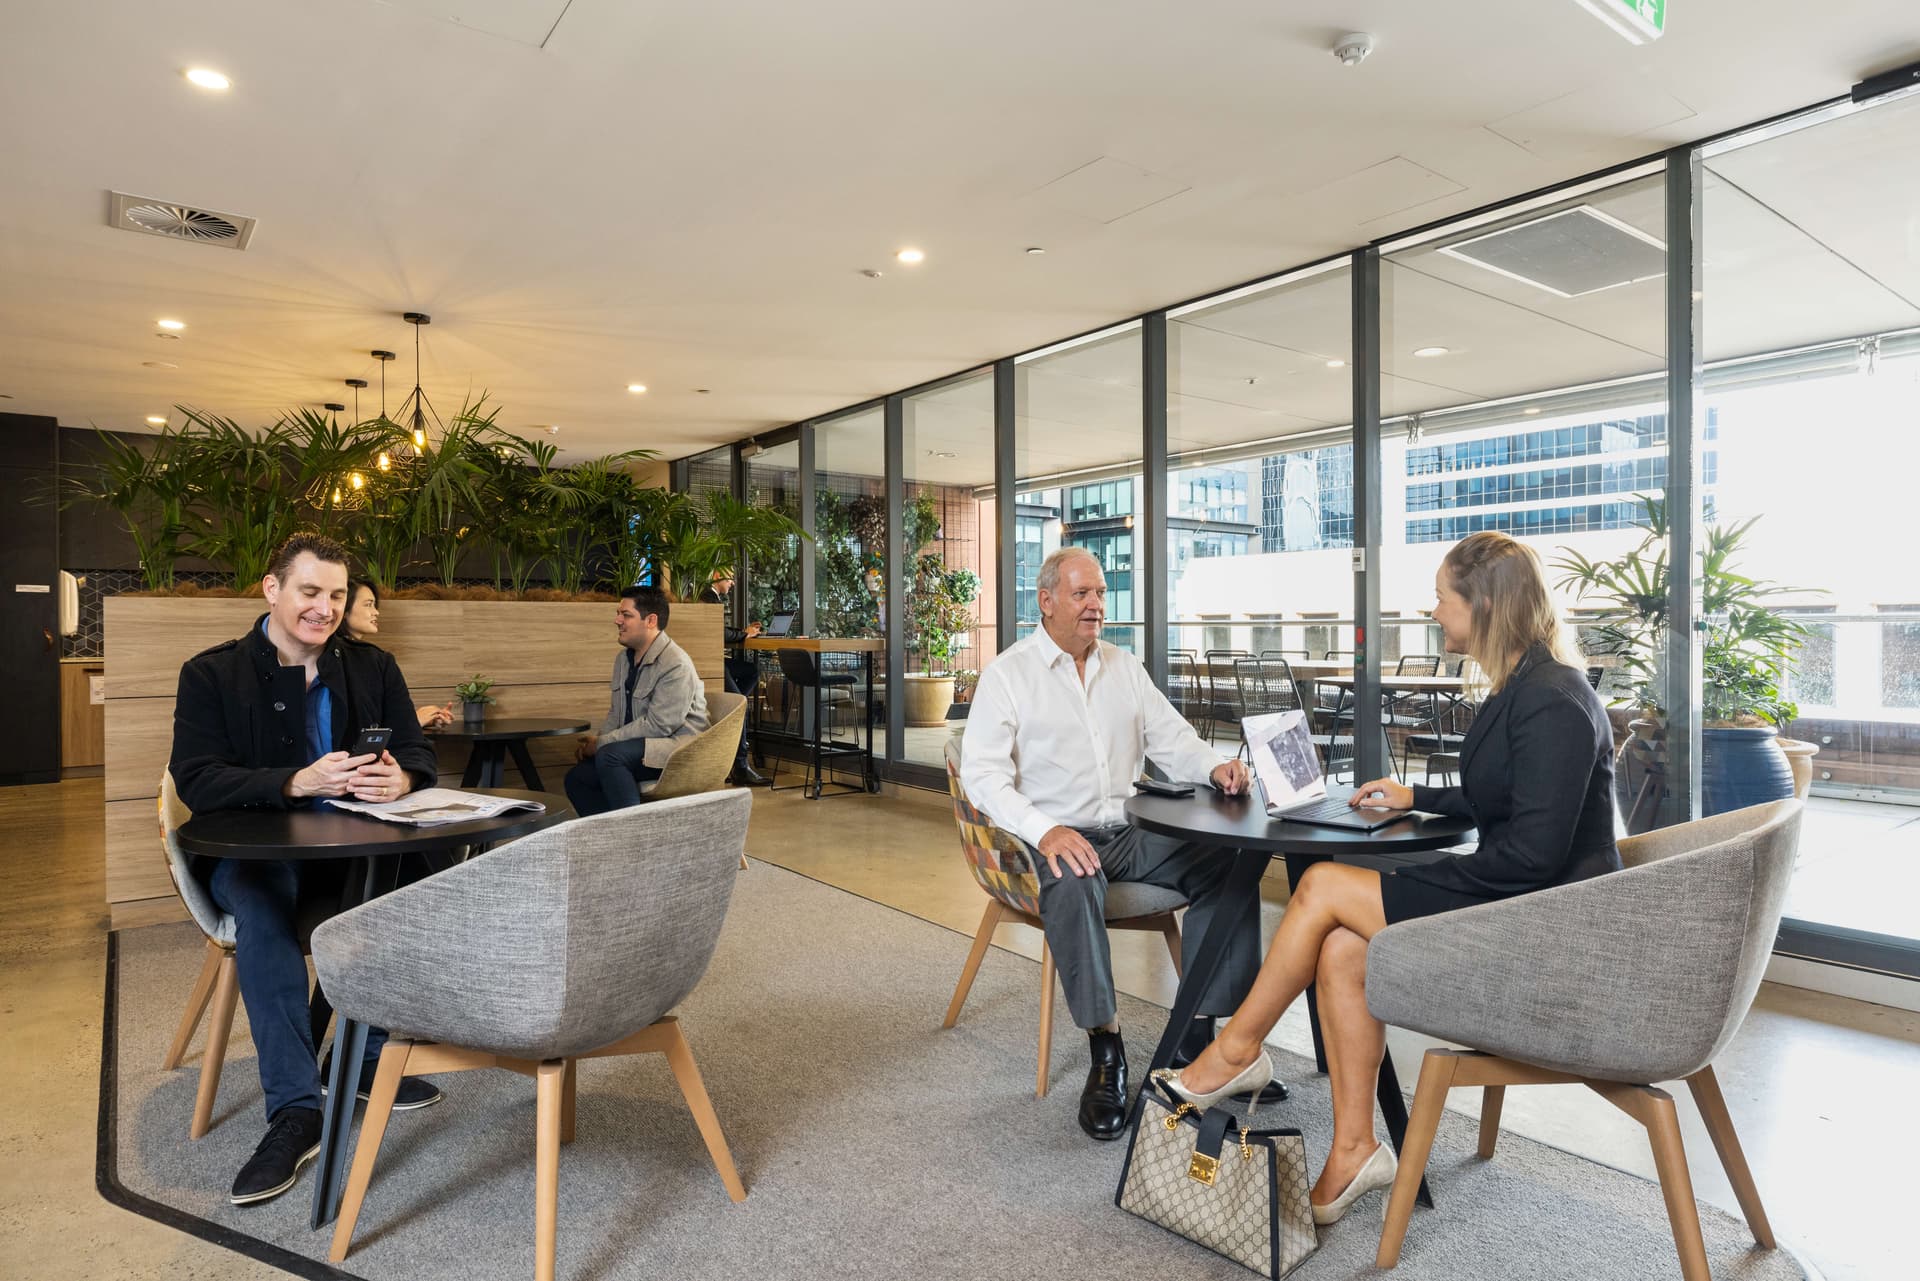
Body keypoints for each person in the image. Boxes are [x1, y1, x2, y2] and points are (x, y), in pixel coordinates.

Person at [1164, 530, 1621, 1226]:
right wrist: (1419, 796)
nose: (1434, 611)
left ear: (1486, 604)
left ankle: (1234, 1049)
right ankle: (1355, 1146)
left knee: (1322, 886)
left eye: (1442, 598)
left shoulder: (1554, 699)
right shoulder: (1528, 686)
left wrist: (1430, 876)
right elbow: (1516, 800)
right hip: (1518, 904)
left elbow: (1534, 854)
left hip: (1542, 935)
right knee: (1343, 945)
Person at [168, 532, 446, 1207]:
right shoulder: (211, 674)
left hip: (351, 848)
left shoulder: (374, 666)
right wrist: (294, 781)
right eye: (310, 591)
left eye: (336, 595)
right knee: (263, 917)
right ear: (272, 589)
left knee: (416, 884)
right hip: (255, 855)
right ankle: (296, 1108)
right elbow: (197, 779)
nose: (325, 608)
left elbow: (415, 748)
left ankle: (363, 1051)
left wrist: (401, 775)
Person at [962, 547, 1262, 1141]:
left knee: (1234, 859)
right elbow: (982, 774)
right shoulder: (1009, 674)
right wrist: (1044, 829)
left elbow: (1173, 739)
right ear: (1046, 602)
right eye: (1081, 595)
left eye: (1100, 593)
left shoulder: (1124, 667)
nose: (1096, 604)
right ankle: (1107, 1050)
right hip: (1050, 837)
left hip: (1128, 831)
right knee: (1072, 880)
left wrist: (1216, 766)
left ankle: (1210, 1042)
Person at [564, 583, 710, 816]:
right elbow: (616, 713)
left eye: (626, 615)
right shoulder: (624, 659)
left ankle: (634, 838)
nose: (617, 620)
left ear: (651, 620)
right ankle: (612, 839)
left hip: (677, 750)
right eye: (618, 614)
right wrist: (599, 740)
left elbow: (660, 725)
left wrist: (602, 745)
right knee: (577, 778)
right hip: (642, 749)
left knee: (611, 757)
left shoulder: (675, 663)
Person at [336, 579, 453, 729]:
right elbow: (360, 726)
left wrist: (417, 721)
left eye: (374, 605)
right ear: (344, 609)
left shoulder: (375, 660)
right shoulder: (345, 660)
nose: (376, 612)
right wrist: (413, 721)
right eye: (368, 605)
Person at [700, 567, 766, 786]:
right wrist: (744, 634)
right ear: (717, 574)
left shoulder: (710, 596)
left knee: (751, 671)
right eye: (730, 578)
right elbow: (718, 632)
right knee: (739, 708)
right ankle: (740, 766)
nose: (733, 583)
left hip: (714, 661)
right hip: (710, 663)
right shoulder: (707, 597)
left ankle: (733, 706)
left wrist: (743, 631)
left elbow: (720, 629)